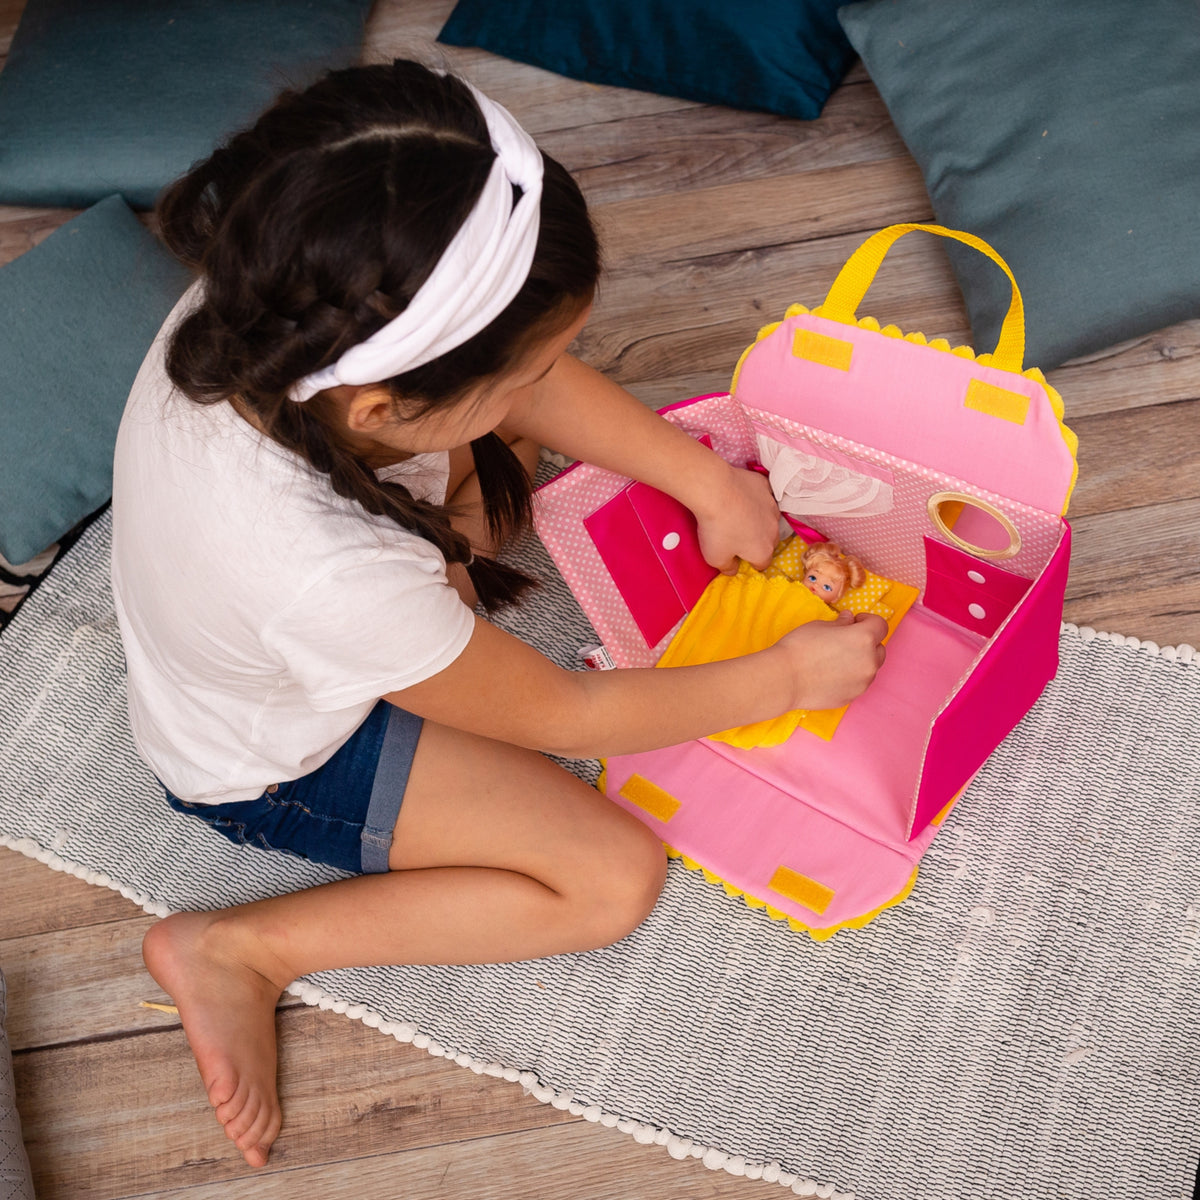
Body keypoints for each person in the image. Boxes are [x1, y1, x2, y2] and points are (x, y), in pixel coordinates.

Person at [110, 59, 888, 1168]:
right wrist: (788, 680)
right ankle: (242, 949)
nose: (556, 372)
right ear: (383, 402)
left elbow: (516, 390)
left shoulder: (283, 295)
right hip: (273, 758)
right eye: (539, 358)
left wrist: (710, 485)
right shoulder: (322, 569)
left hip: (321, 598)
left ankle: (462, 520)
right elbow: (566, 713)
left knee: (512, 448)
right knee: (609, 879)